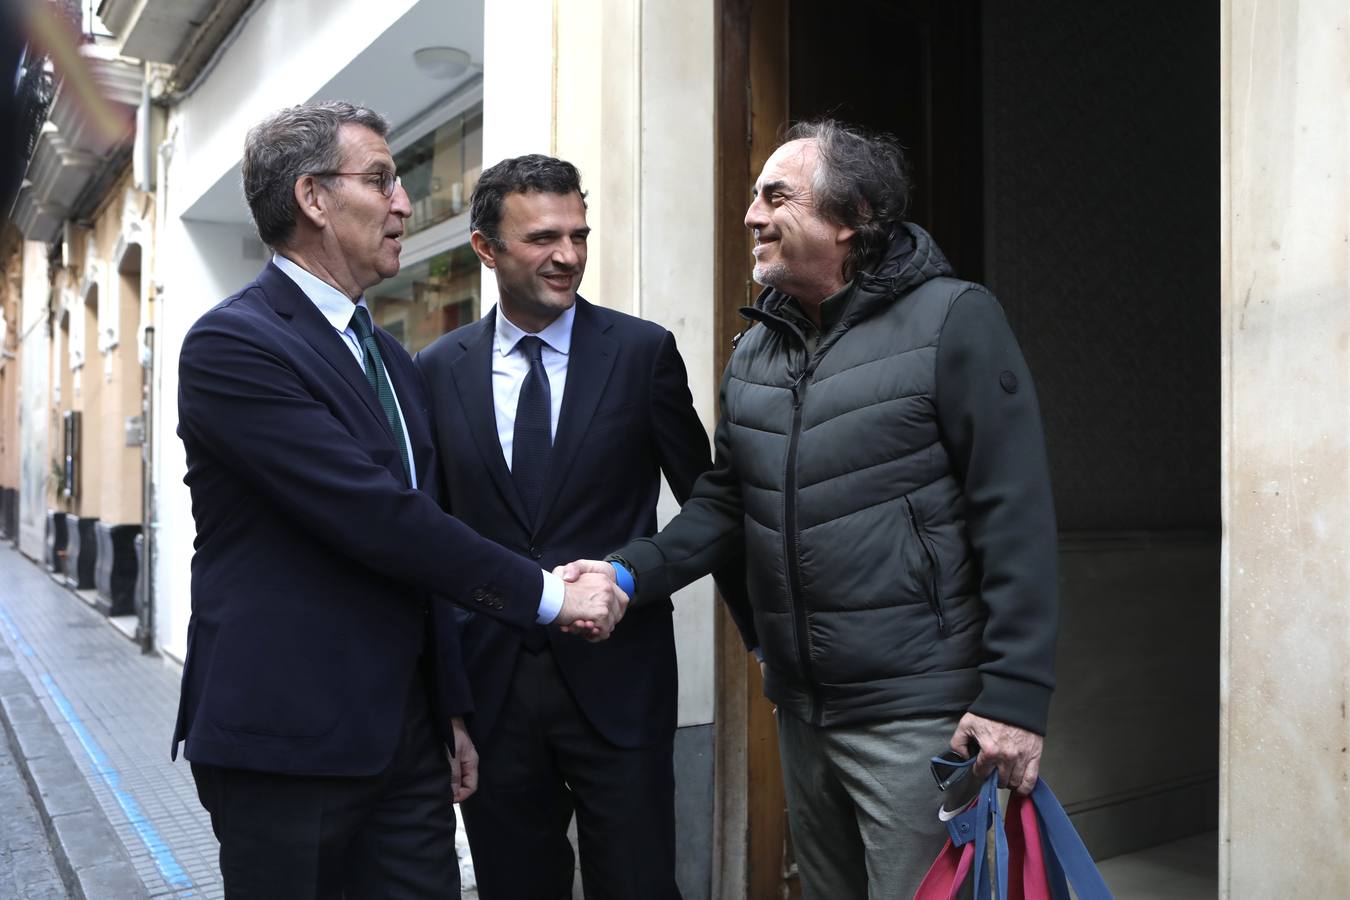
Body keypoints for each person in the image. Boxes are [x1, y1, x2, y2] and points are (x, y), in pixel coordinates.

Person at [561, 119, 1059, 899]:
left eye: (776, 196)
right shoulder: (757, 347)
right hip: (803, 711)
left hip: (918, 713)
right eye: (754, 197)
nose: (751, 215)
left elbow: (1016, 515)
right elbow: (725, 502)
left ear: (851, 217)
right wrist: (627, 572)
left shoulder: (955, 319)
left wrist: (1015, 701)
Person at [172, 102, 626, 900]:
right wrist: (551, 595)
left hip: (408, 746)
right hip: (287, 745)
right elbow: (379, 517)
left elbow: (424, 534)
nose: (405, 203)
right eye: (380, 179)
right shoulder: (233, 345)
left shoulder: (386, 354)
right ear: (313, 197)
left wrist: (448, 709)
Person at [414, 154, 729, 900]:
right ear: (485, 247)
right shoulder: (434, 370)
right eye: (542, 238)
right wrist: (443, 700)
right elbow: (427, 539)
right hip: (490, 696)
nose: (568, 256)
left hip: (620, 688)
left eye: (579, 235)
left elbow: (715, 503)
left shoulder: (641, 353)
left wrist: (631, 573)